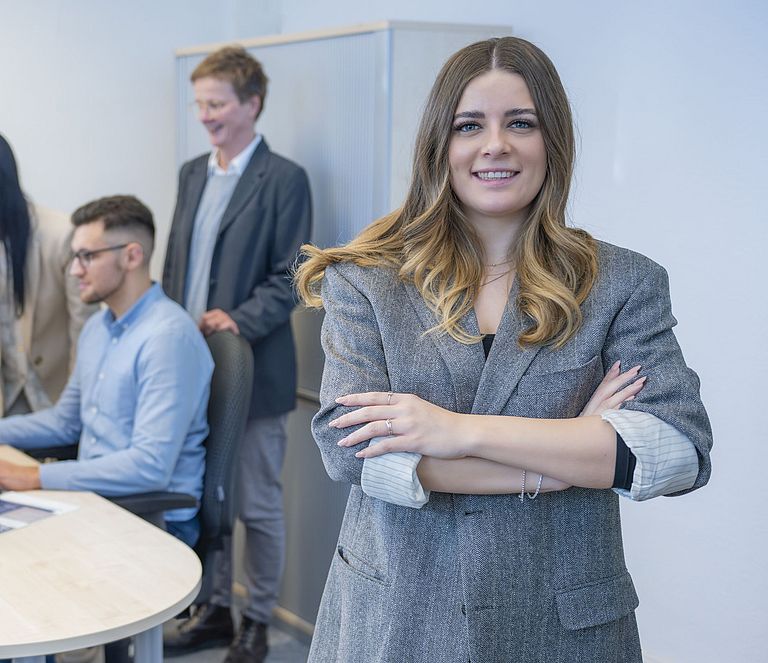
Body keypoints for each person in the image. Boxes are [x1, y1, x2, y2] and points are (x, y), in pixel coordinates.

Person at [294, 37, 712, 662]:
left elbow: (673, 453)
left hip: (563, 628)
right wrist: (568, 449)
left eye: (521, 123)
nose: (496, 145)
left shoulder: (623, 282)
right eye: (470, 126)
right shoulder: (368, 280)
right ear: (442, 145)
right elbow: (355, 457)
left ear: (554, 142)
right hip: (402, 617)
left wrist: (453, 431)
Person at [162, 46, 312, 663]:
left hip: (254, 371)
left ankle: (256, 619)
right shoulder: (193, 172)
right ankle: (215, 609)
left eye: (217, 103)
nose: (206, 116)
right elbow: (177, 265)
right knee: (208, 495)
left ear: (252, 103)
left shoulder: (284, 179)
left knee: (255, 502)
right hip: (194, 367)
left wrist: (239, 319)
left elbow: (295, 274)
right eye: (200, 104)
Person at [0, 194, 213, 548]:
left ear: (131, 256)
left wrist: (34, 475)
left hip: (151, 519)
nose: (74, 270)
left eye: (87, 256)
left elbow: (149, 466)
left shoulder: (167, 338)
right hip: (96, 502)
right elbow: (64, 422)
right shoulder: (98, 328)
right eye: (75, 256)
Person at [0, 135, 97, 416]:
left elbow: (85, 328)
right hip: (8, 403)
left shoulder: (61, 234)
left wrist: (77, 407)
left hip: (57, 396)